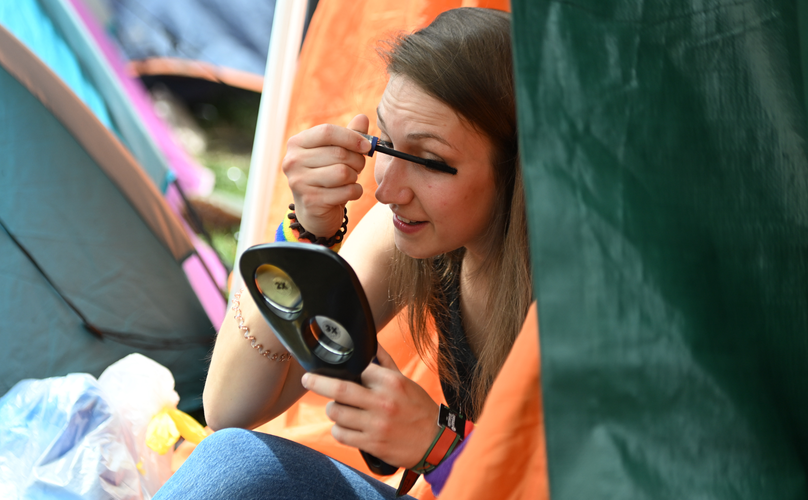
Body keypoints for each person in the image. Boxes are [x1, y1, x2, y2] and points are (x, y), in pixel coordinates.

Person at [156, 7, 531, 499]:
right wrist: (306, 230)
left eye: (429, 161)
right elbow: (230, 409)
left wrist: (440, 446)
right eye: (387, 145)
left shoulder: (576, 293)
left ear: (518, 170)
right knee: (236, 462)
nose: (388, 191)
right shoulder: (416, 239)